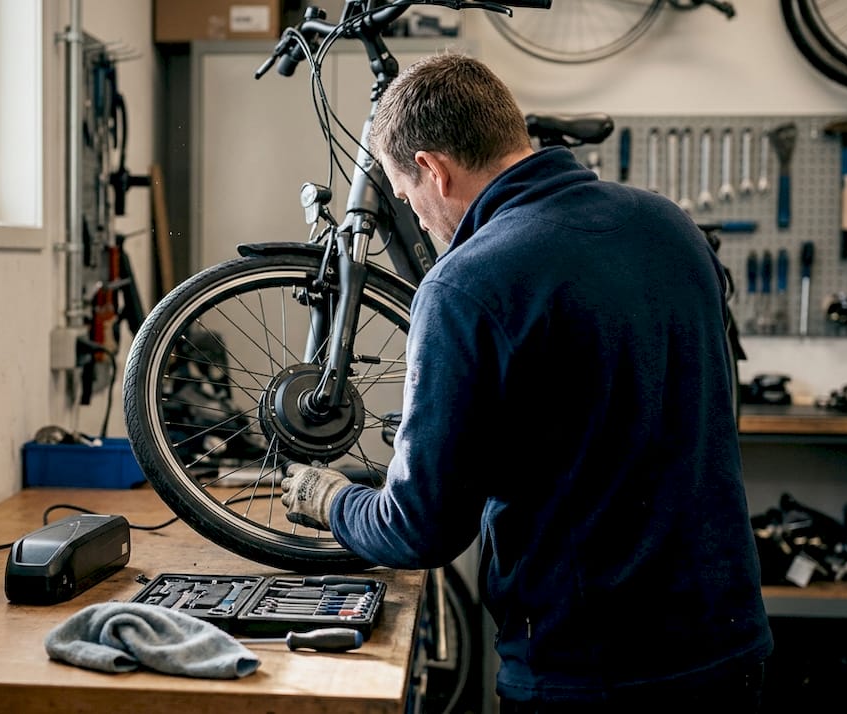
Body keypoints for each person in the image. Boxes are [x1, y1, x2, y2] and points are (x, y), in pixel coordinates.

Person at [279, 53, 772, 711]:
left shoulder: (465, 283)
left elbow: (417, 532)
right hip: (729, 650)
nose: (421, 220)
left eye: (409, 199)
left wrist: (331, 498)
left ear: (432, 169)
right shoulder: (669, 225)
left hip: (586, 672)